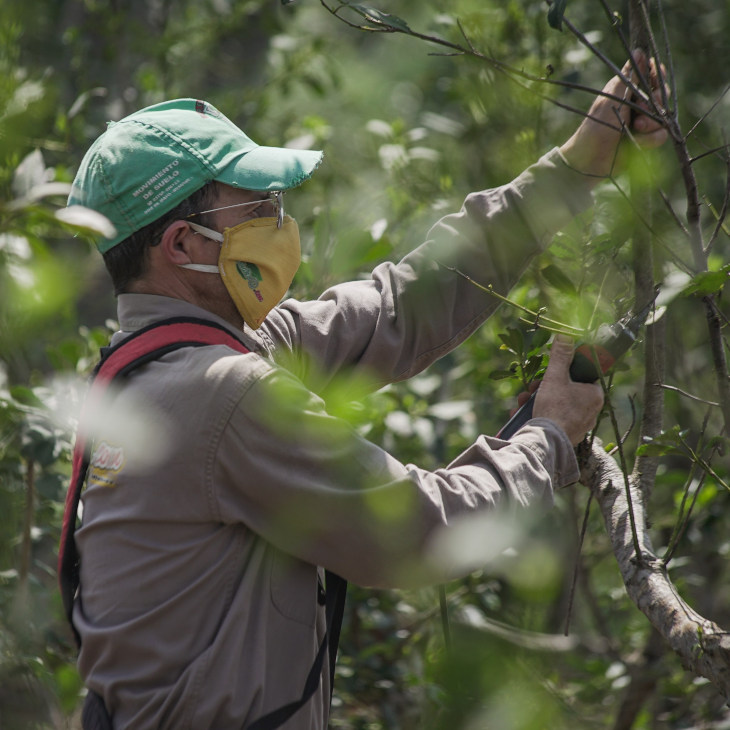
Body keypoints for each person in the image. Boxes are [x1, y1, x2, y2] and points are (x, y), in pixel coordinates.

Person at [63, 55, 666, 729]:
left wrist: (576, 167)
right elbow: (412, 531)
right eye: (257, 206)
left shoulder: (155, 368)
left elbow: (397, 306)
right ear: (181, 244)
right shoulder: (221, 390)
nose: (279, 222)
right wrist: (546, 439)